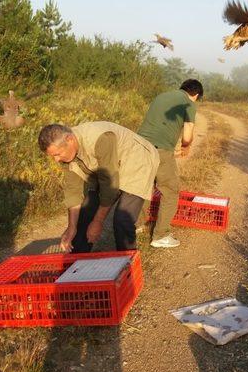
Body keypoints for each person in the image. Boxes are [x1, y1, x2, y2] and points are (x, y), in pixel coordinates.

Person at [38, 121, 159, 253]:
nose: (56, 160)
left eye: (57, 154)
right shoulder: (66, 152)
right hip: (109, 167)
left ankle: (128, 264)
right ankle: (76, 263)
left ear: (70, 139)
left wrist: (98, 221)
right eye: (53, 156)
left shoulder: (101, 138)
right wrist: (71, 227)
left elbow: (109, 185)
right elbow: (73, 191)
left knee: (122, 219)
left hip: (137, 161)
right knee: (85, 215)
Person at [138, 79, 203, 248]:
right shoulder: (189, 103)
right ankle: (160, 236)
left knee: (144, 186)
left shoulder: (161, 96)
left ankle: (136, 225)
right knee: (171, 191)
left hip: (138, 145)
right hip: (161, 149)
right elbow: (187, 134)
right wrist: (186, 146)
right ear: (195, 95)